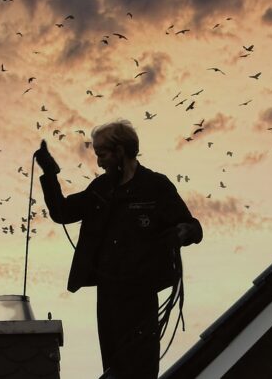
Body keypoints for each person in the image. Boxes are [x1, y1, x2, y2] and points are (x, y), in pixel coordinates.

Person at [34, 119, 203, 378]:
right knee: (113, 370)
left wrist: (184, 232)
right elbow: (62, 212)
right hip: (109, 295)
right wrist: (49, 173)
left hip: (141, 295)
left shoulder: (156, 186)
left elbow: (192, 226)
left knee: (140, 370)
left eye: (102, 155)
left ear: (120, 152)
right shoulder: (100, 189)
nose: (99, 162)